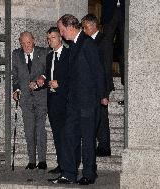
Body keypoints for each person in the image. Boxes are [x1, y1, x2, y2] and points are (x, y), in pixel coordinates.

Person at [52, 14, 107, 185]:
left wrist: (103, 96)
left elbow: (98, 71)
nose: (61, 34)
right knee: (69, 136)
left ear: (70, 27)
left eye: (61, 30)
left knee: (88, 139)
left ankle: (89, 174)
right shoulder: (74, 45)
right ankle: (69, 173)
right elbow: (72, 74)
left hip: (88, 101)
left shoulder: (87, 43)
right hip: (74, 102)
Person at [12, 31, 48, 170]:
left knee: (40, 128)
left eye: (28, 42)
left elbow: (49, 70)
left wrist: (42, 78)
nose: (26, 46)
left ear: (34, 40)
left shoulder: (43, 52)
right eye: (23, 43)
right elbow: (15, 75)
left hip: (41, 96)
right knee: (29, 130)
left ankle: (42, 161)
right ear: (20, 43)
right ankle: (32, 161)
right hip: (25, 98)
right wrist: (16, 90)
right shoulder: (16, 54)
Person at [37, 27, 70, 174]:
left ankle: (69, 165)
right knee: (57, 134)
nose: (50, 41)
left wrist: (60, 84)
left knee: (66, 134)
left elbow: (74, 77)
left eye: (53, 38)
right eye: (48, 39)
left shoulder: (69, 54)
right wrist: (40, 81)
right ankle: (61, 164)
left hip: (65, 101)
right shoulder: (50, 56)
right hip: (52, 100)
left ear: (60, 38)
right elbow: (48, 75)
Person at [81, 14, 111, 157]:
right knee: (95, 116)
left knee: (102, 117)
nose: (84, 30)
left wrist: (104, 92)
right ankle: (96, 142)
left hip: (102, 85)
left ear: (93, 26)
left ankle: (105, 146)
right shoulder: (87, 41)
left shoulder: (103, 40)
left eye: (85, 27)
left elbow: (105, 67)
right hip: (91, 86)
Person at [102, 0, 125, 105]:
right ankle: (107, 86)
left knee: (124, 51)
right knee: (106, 51)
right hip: (109, 11)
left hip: (126, 11)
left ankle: (127, 88)